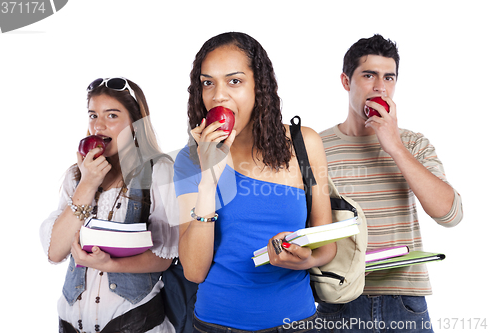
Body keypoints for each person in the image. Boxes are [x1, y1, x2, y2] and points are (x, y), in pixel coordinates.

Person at [173, 31, 336, 333]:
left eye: (234, 81)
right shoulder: (189, 160)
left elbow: (327, 247)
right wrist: (208, 178)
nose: (218, 95)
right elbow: (194, 271)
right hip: (215, 325)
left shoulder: (304, 144)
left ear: (259, 87)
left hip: (297, 323)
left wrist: (299, 260)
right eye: (208, 82)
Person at [317, 35, 463, 332]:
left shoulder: (413, 143)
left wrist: (394, 146)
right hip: (339, 298)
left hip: (404, 300)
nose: (380, 87)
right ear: (346, 81)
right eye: (369, 75)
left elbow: (450, 215)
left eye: (389, 77)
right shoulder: (316, 146)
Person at [39, 77, 179, 333]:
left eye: (111, 115)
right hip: (70, 324)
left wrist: (110, 265)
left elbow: (164, 257)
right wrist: (88, 184)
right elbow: (55, 252)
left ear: (135, 124)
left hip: (136, 323)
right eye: (93, 115)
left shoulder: (158, 171)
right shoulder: (77, 176)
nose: (98, 126)